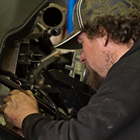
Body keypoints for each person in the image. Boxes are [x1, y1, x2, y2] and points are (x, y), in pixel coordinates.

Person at [1, 0, 140, 139]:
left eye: (81, 43)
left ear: (103, 34)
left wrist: (27, 117)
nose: (82, 58)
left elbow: (78, 136)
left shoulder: (131, 74)